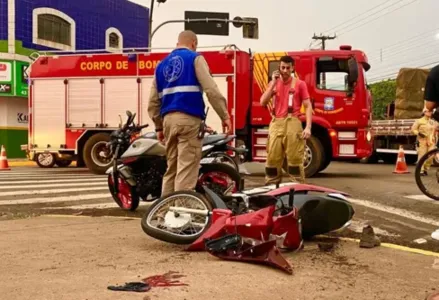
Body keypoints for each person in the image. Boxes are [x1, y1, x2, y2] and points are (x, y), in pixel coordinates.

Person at [147, 30, 232, 197]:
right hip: (188, 121)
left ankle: (163, 213)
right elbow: (211, 90)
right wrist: (225, 116)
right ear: (193, 43)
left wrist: (158, 127)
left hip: (168, 121)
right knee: (186, 169)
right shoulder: (195, 58)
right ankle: (181, 215)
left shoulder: (161, 65)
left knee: (171, 169)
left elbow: (152, 102)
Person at [260, 55, 312, 185]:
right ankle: (272, 190)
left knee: (295, 161)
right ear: (279, 67)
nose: (285, 70)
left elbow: (307, 105)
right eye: (282, 67)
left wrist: (308, 127)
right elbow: (262, 102)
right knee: (272, 160)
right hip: (276, 123)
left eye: (288, 68)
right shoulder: (273, 83)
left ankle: (298, 189)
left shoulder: (300, 84)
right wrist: (272, 84)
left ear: (292, 68)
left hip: (293, 123)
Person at [411, 108, 438, 176]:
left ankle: (425, 168)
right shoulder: (419, 121)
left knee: (432, 155)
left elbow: (436, 128)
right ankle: (421, 170)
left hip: (431, 140)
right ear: (424, 112)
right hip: (422, 140)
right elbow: (413, 129)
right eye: (428, 111)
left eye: (431, 111)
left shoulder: (433, 122)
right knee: (422, 155)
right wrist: (419, 133)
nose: (430, 112)